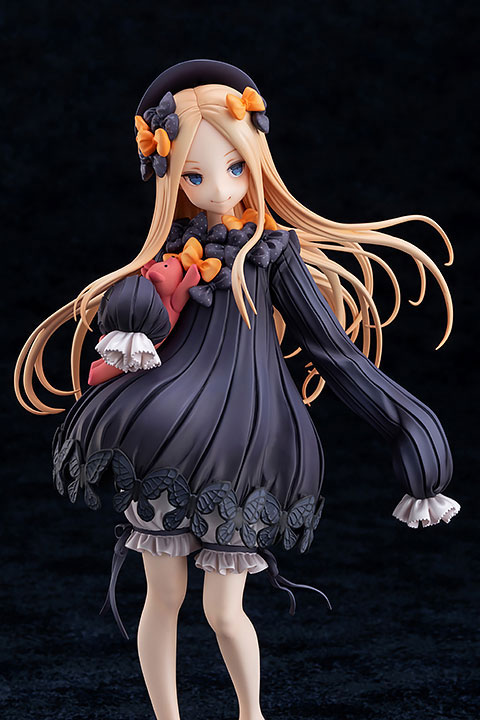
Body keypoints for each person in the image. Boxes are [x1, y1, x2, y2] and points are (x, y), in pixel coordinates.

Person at [14, 59, 460, 720]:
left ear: (256, 162)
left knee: (225, 610)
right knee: (162, 598)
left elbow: (335, 355)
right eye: (194, 176)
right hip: (168, 436)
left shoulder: (273, 255)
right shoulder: (173, 258)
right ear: (171, 177)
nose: (218, 189)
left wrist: (412, 437)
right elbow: (140, 312)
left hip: (246, 445)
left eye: (233, 168)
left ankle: (252, 714)